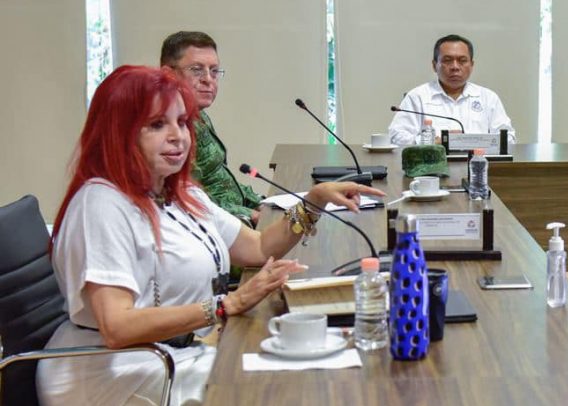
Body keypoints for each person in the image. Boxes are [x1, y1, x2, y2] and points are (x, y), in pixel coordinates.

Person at [36, 65, 384, 405]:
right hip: (114, 373)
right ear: (119, 132)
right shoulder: (101, 205)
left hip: (176, 352)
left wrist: (313, 202)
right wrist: (224, 306)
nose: (178, 136)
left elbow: (259, 247)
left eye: (182, 122)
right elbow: (117, 326)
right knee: (278, 385)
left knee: (306, 366)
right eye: (157, 125)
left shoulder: (178, 193)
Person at [160, 31, 261, 227]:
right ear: (168, 74)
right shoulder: (169, 130)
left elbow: (219, 178)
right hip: (212, 227)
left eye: (214, 71)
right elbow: (186, 198)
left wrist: (259, 201)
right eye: (197, 70)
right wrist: (249, 213)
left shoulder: (199, 115)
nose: (208, 79)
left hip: (237, 216)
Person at [388, 34, 516, 146]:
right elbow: (396, 137)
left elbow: (509, 138)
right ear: (434, 65)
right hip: (431, 164)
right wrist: (433, 142)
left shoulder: (488, 97)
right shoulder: (417, 96)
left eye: (462, 61)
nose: (455, 67)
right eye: (447, 60)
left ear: (472, 65)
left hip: (477, 162)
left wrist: (473, 142)